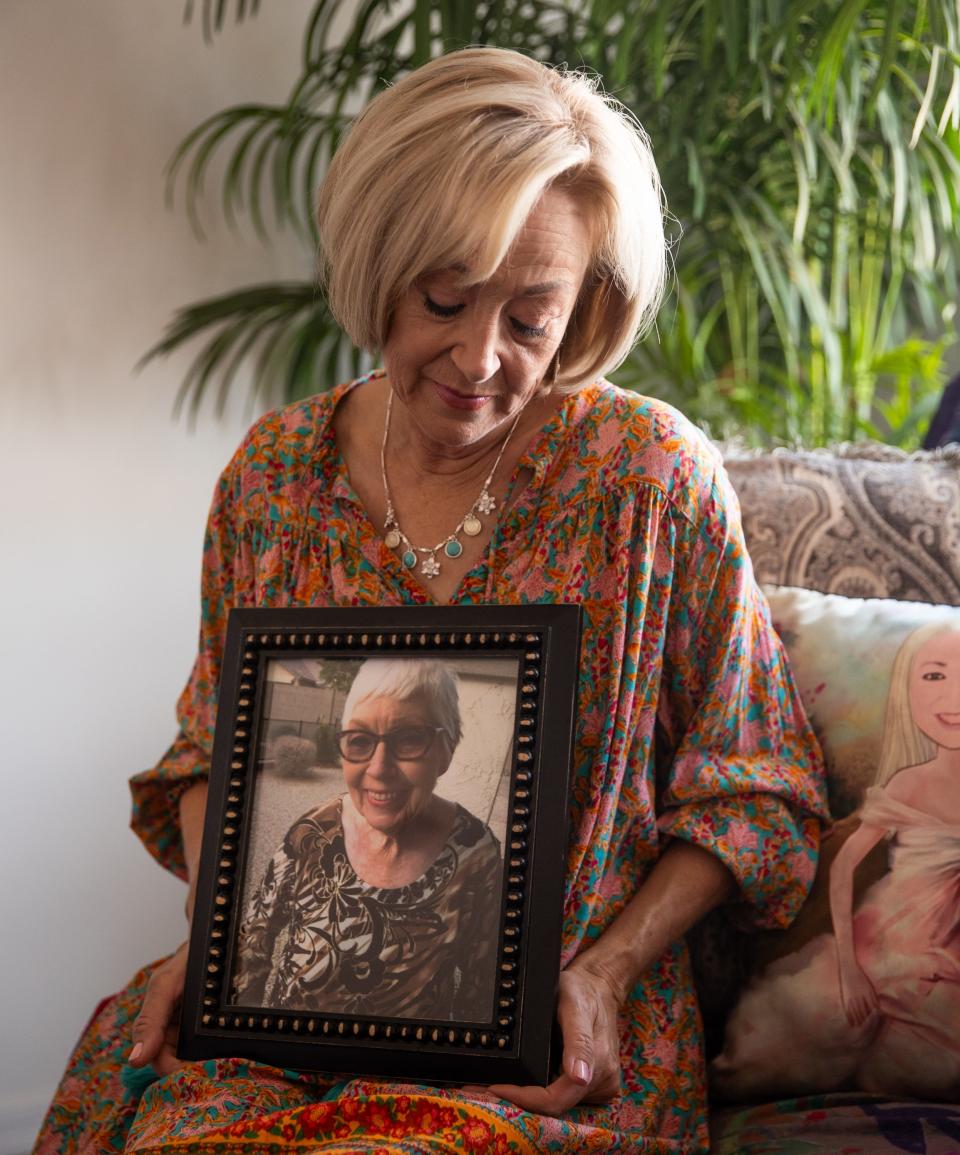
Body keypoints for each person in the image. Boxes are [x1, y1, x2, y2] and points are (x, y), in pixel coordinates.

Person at [34, 47, 827, 1155]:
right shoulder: (271, 480)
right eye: (444, 299)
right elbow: (215, 760)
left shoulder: (647, 477)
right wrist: (223, 945)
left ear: (588, 303)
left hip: (547, 1048)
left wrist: (605, 971)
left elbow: (761, 788)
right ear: (379, 261)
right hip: (283, 1026)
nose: (480, 357)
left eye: (533, 318)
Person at [711, 623, 960, 1101]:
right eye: (933, 677)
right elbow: (844, 869)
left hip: (939, 962)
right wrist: (848, 962)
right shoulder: (907, 787)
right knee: (815, 1025)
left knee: (926, 1054)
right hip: (880, 941)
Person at [233, 658, 502, 1021]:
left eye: (409, 739)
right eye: (359, 740)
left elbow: (482, 995)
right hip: (288, 1058)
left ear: (447, 750)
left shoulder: (477, 852)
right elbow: (250, 950)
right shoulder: (313, 831)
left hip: (406, 1073)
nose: (378, 768)